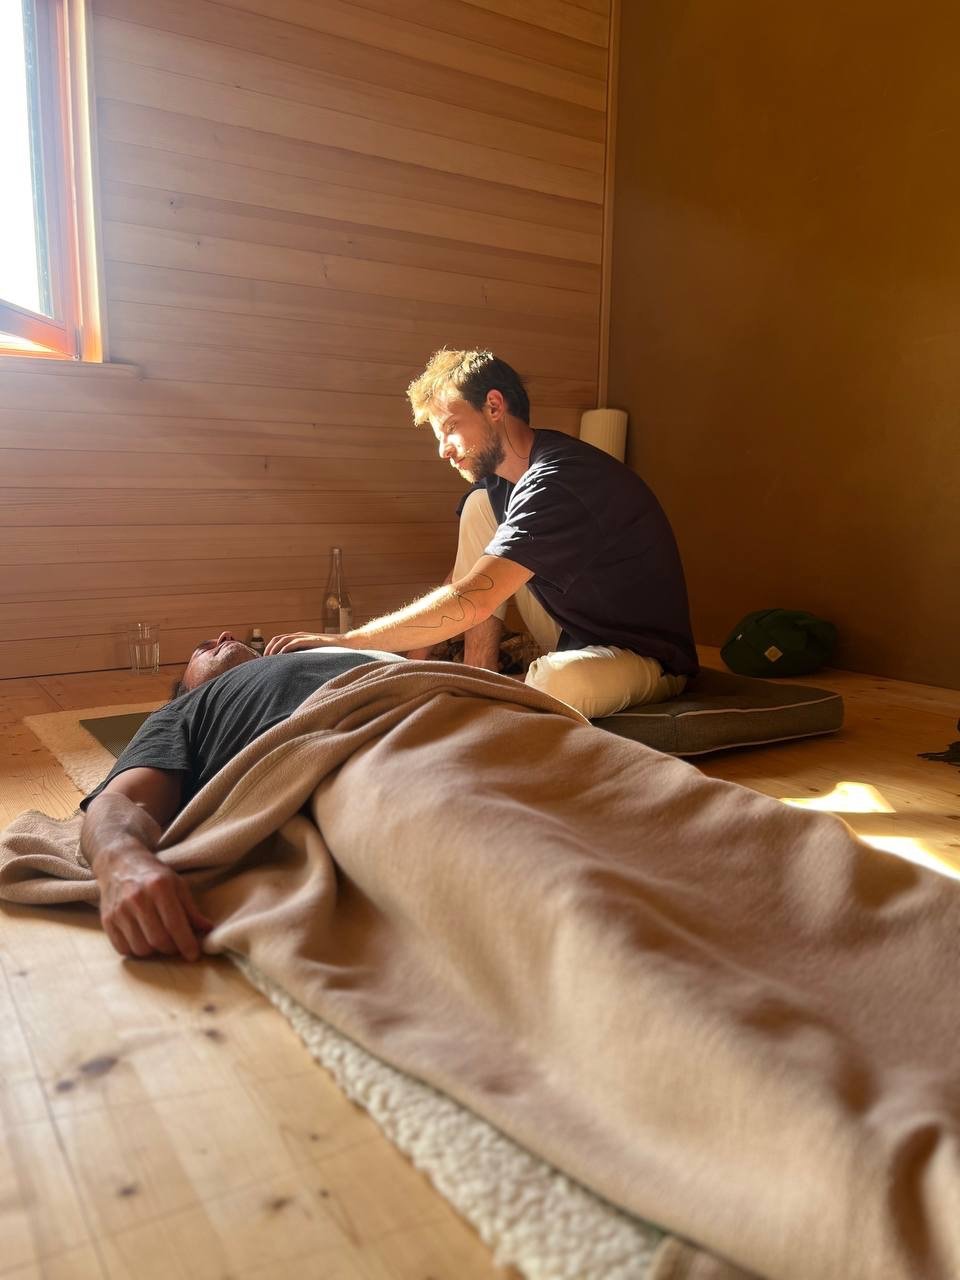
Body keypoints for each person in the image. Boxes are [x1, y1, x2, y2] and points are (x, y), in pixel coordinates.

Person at [267, 350, 698, 719]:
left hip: (643, 655)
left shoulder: (559, 480)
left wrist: (347, 642)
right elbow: (461, 588)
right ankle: (478, 677)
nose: (443, 449)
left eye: (451, 428)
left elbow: (474, 598)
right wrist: (401, 673)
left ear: (494, 406)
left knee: (554, 678)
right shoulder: (499, 484)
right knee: (477, 506)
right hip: (574, 626)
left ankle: (484, 700)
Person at [79, 631, 402, 964]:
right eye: (203, 648)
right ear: (188, 690)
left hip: (433, 692)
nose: (223, 635)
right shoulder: (184, 710)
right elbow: (122, 799)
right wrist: (120, 859)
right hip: (360, 757)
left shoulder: (347, 657)